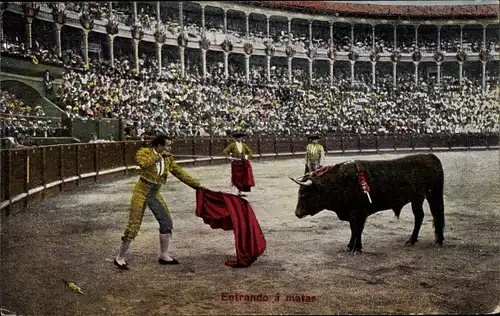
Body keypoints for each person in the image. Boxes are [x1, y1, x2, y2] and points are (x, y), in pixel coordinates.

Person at [114, 134, 205, 270]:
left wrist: (197, 186)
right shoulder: (145, 152)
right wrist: (159, 156)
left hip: (154, 193)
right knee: (133, 225)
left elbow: (180, 173)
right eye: (167, 145)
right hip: (141, 192)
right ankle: (119, 257)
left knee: (166, 222)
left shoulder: (168, 159)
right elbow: (142, 163)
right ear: (158, 146)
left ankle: (164, 255)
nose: (170, 148)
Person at [222, 131, 255, 197]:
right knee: (235, 177)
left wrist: (246, 156)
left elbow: (250, 152)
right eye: (237, 137)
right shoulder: (233, 145)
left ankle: (240, 192)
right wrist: (230, 157)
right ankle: (234, 191)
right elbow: (225, 152)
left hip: (242, 163)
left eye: (240, 137)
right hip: (235, 163)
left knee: (242, 178)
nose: (239, 138)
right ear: (235, 138)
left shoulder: (244, 145)